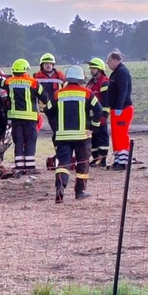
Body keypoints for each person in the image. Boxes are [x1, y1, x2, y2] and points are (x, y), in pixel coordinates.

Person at [51, 65, 104, 203]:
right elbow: (99, 110)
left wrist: (56, 127)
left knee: (63, 164)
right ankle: (80, 192)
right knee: (82, 163)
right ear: (81, 79)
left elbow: (49, 110)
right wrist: (93, 127)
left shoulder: (58, 94)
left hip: (63, 136)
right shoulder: (87, 93)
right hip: (82, 136)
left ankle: (60, 189)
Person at [0, 58, 49, 174]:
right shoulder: (33, 83)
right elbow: (45, 98)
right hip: (30, 119)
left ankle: (19, 167)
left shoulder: (9, 82)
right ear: (24, 71)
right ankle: (30, 167)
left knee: (18, 141)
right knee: (30, 141)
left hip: (16, 119)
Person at [104, 50, 133, 170]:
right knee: (116, 136)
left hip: (122, 109)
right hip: (117, 108)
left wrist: (119, 107)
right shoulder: (117, 72)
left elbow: (123, 91)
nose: (107, 63)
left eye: (109, 61)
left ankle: (122, 162)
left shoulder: (122, 72)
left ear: (115, 60)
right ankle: (117, 160)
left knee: (121, 135)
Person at [35, 53, 65, 159]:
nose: (48, 65)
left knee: (58, 130)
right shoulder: (36, 76)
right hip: (44, 109)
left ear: (53, 65)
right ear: (42, 65)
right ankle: (60, 152)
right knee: (56, 130)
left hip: (59, 108)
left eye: (50, 63)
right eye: (46, 63)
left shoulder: (60, 76)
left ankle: (60, 152)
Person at [85, 57, 111, 167]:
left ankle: (102, 159)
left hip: (100, 114)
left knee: (102, 136)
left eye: (94, 68)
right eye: (91, 68)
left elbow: (106, 100)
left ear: (100, 69)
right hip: (92, 115)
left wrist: (104, 115)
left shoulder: (104, 82)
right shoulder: (91, 83)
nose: (91, 70)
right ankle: (96, 158)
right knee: (93, 137)